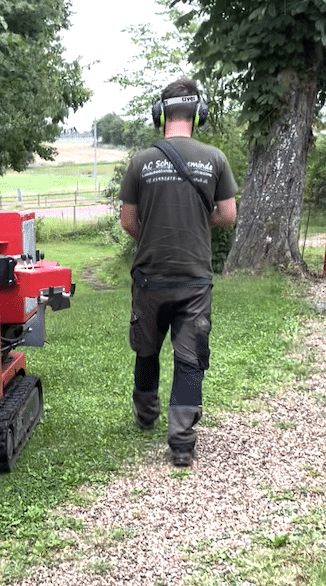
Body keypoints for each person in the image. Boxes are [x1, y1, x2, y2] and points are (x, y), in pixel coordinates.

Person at [119, 78, 237, 467]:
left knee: (146, 348)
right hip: (194, 280)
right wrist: (196, 226)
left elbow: (128, 221)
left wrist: (154, 234)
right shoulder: (215, 159)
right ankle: (182, 444)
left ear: (160, 114)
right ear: (199, 114)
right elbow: (227, 215)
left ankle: (146, 412)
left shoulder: (139, 162)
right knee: (189, 360)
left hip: (149, 278)